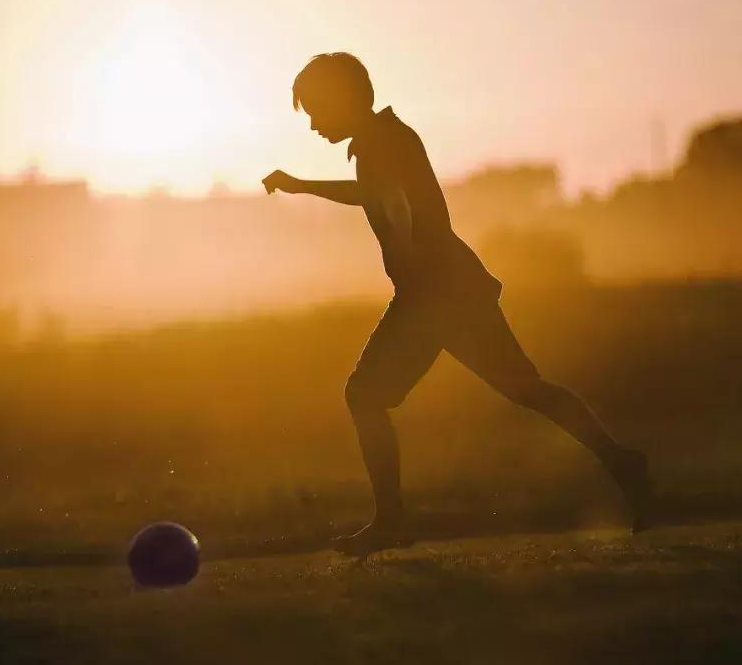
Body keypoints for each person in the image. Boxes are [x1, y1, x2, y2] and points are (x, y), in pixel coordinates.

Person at [262, 52, 651, 556]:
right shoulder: (382, 139)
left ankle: (391, 522)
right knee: (526, 390)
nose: (312, 123)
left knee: (367, 395)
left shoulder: (386, 141)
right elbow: (384, 198)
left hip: (437, 296)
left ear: (345, 101)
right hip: (444, 292)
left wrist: (301, 185)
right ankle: (624, 465)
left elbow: (381, 196)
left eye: (316, 110)